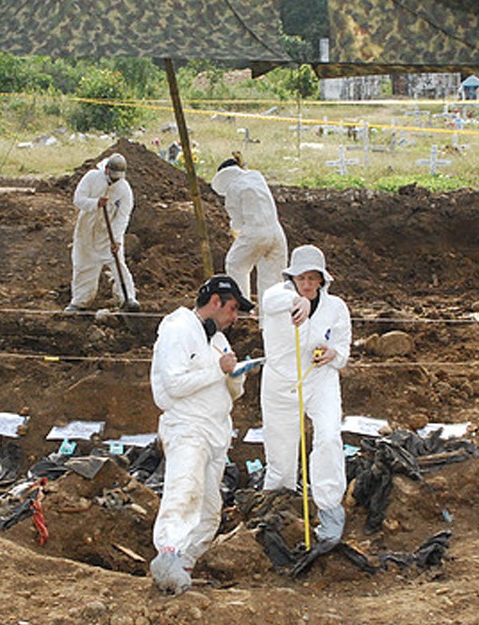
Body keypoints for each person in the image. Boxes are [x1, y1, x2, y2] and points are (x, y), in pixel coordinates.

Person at [149, 275, 254, 594]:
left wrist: (236, 376)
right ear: (215, 302)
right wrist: (218, 370)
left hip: (216, 431)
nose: (235, 318)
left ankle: (184, 565)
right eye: (233, 308)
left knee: (209, 509)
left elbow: (233, 392)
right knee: (184, 491)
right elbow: (174, 385)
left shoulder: (220, 340)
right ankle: (167, 558)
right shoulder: (179, 328)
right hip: (187, 426)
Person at [259, 245, 351, 546]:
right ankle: (279, 507)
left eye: (313, 278)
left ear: (322, 280)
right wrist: (295, 301)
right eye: (302, 278)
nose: (307, 284)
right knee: (281, 453)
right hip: (280, 385)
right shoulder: (278, 297)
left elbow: (343, 349)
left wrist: (333, 354)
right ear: (292, 277)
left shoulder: (336, 307)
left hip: (319, 380)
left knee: (327, 436)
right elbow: (271, 300)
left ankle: (329, 507)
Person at [211, 153, 288, 304]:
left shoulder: (233, 188)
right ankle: (270, 319)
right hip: (277, 232)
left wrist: (236, 231)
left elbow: (238, 221)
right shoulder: (256, 177)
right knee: (272, 278)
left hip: (255, 232)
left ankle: (241, 308)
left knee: (235, 265)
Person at [66, 153, 139, 312]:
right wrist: (96, 203)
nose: (114, 181)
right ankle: (80, 301)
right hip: (86, 230)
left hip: (109, 234)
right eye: (112, 177)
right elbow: (78, 199)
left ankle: (127, 298)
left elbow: (122, 216)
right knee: (84, 265)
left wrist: (117, 240)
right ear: (106, 170)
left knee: (118, 264)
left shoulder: (124, 189)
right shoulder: (92, 177)